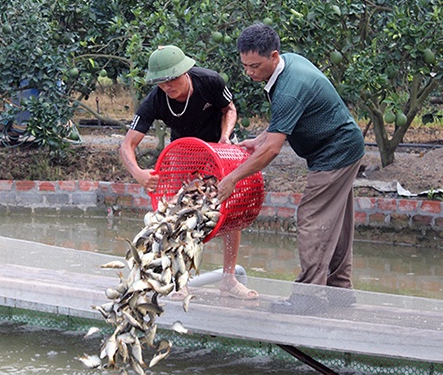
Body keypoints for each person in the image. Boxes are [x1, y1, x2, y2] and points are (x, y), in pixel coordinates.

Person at [216, 23, 365, 314]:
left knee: (311, 219)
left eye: (255, 66)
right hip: (344, 145)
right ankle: (339, 291)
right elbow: (282, 127)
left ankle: (308, 297)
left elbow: (273, 150)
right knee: (336, 222)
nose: (249, 73)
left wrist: (233, 178)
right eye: (245, 65)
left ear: (273, 56)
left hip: (335, 153)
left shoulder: (289, 89)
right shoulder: (290, 65)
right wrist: (260, 139)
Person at [119, 44, 258, 300]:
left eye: (171, 80)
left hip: (219, 149)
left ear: (185, 72)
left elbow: (229, 109)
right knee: (179, 216)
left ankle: (228, 279)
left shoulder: (210, 81)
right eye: (161, 83)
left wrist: (226, 137)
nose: (167, 88)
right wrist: (138, 173)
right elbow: (127, 145)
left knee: (230, 210)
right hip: (185, 154)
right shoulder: (156, 99)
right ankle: (180, 281)